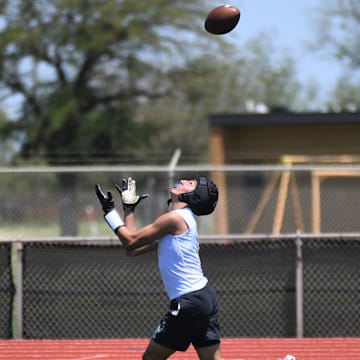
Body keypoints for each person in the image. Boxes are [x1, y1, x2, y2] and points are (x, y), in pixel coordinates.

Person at [95, 175, 223, 360]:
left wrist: (109, 211)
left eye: (191, 184)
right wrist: (129, 209)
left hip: (190, 301)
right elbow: (134, 249)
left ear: (196, 196)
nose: (184, 181)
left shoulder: (174, 219)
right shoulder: (180, 221)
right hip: (204, 297)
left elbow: (130, 242)